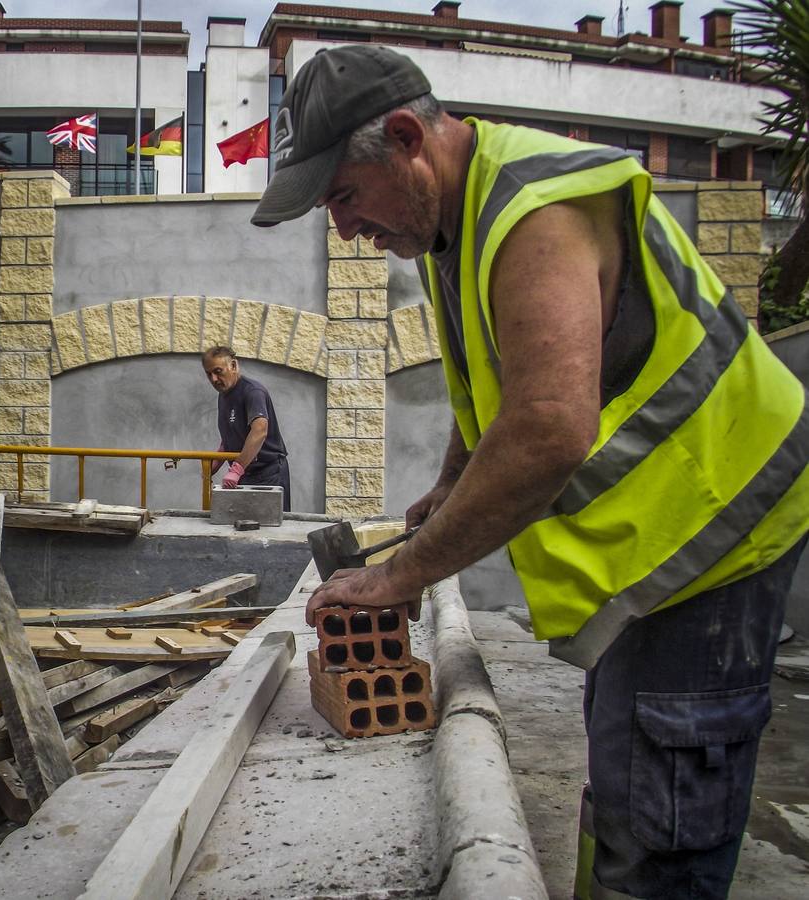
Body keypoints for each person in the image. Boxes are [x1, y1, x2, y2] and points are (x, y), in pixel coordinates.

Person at [252, 44, 809, 900]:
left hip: (714, 532)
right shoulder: (454, 223)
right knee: (626, 771)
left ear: (407, 137)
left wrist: (404, 574)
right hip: (662, 550)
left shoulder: (534, 210)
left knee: (661, 821)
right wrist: (448, 486)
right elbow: (499, 388)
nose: (347, 229)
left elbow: (549, 429)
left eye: (344, 196)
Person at [202, 345, 292, 511]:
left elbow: (259, 431)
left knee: (269, 530)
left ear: (234, 366)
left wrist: (236, 469)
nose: (214, 379)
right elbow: (230, 438)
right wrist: (213, 465)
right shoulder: (224, 396)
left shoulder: (252, 391)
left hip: (268, 474)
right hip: (245, 474)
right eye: (209, 374)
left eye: (218, 371)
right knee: (242, 527)